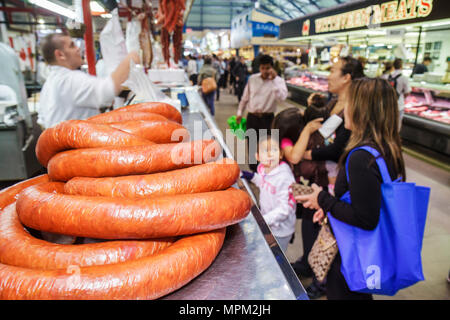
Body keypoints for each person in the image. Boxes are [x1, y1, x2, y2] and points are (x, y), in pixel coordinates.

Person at [295, 77, 406, 300]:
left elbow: (365, 218)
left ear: (363, 110)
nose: (345, 109)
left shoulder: (361, 157)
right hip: (367, 251)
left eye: (350, 103)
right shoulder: (387, 148)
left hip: (351, 252)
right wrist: (330, 207)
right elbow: (367, 198)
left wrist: (323, 199)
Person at [38, 33, 140, 129]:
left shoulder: (49, 84)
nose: (78, 49)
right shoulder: (69, 80)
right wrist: (132, 57)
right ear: (60, 55)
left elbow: (42, 122)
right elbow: (106, 91)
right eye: (72, 46)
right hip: (74, 145)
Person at [241, 135, 297, 253]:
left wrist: (263, 219)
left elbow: (285, 209)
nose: (270, 154)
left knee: (277, 255)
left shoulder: (284, 177)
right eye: (265, 150)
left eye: (274, 150)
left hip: (281, 230)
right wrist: (251, 176)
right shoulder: (263, 168)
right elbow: (264, 182)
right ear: (257, 156)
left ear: (281, 155)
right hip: (268, 220)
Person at [236, 54, 288, 171]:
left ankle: (265, 170)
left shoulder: (278, 81)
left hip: (268, 118)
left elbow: (282, 98)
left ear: (272, 68)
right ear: (259, 68)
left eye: (267, 68)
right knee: (252, 145)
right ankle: (254, 171)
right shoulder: (253, 79)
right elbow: (245, 98)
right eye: (262, 68)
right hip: (252, 118)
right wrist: (239, 112)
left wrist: (274, 81)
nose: (265, 71)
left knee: (267, 146)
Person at [388, 58, 411, 130]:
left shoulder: (388, 76)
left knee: (388, 125)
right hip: (399, 105)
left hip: (388, 104)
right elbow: (407, 92)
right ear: (401, 66)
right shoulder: (404, 78)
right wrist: (403, 97)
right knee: (397, 126)